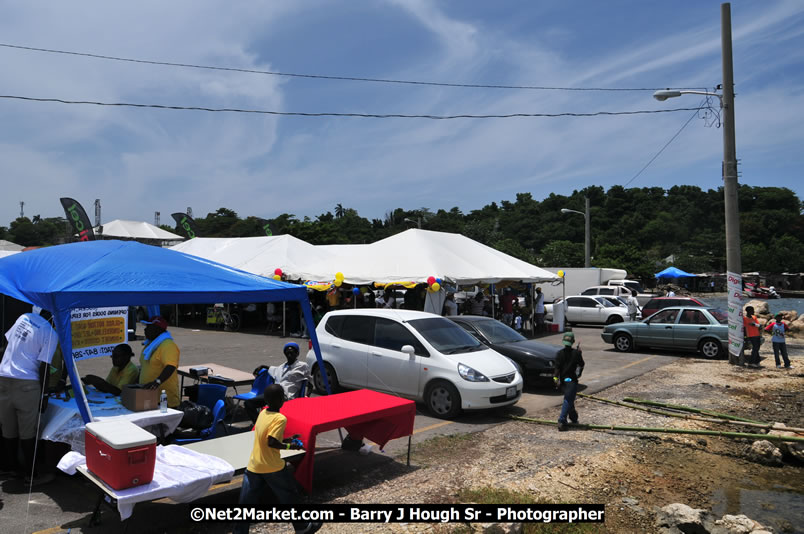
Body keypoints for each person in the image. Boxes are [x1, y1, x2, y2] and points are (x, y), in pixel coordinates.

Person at [234, 384, 322, 534]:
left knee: (245, 505)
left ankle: (239, 532)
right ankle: (302, 528)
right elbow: (272, 442)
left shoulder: (263, 413)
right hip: (273, 467)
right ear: (280, 399)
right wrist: (291, 447)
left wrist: (288, 440)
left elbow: (267, 438)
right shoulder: (280, 418)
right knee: (290, 497)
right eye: (283, 396)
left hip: (254, 465)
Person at [0, 308, 59, 484]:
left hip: (3, 379)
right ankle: (31, 475)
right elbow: (45, 367)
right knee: (28, 432)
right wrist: (45, 393)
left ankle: (13, 469)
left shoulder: (23, 317)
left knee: (8, 429)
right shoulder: (50, 332)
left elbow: (6, 344)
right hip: (27, 385)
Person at [245, 342, 312, 424]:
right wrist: (262, 366)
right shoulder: (281, 367)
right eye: (287, 352)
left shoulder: (302, 366)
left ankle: (268, 425)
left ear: (297, 353)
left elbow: (310, 383)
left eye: (292, 352)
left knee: (271, 411)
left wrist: (307, 396)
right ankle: (258, 425)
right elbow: (272, 369)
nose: (289, 354)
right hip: (273, 395)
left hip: (286, 397)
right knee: (248, 403)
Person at [139, 316, 181, 408]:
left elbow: (170, 366)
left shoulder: (168, 345)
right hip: (148, 397)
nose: (145, 330)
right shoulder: (150, 344)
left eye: (148, 327)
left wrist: (157, 382)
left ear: (158, 330)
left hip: (164, 399)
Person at [554, 331, 585, 432]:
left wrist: (555, 380)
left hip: (563, 381)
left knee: (570, 399)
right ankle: (562, 420)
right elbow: (581, 364)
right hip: (571, 381)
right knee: (568, 399)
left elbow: (557, 369)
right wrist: (580, 353)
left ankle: (574, 418)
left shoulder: (559, 354)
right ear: (573, 342)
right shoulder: (576, 353)